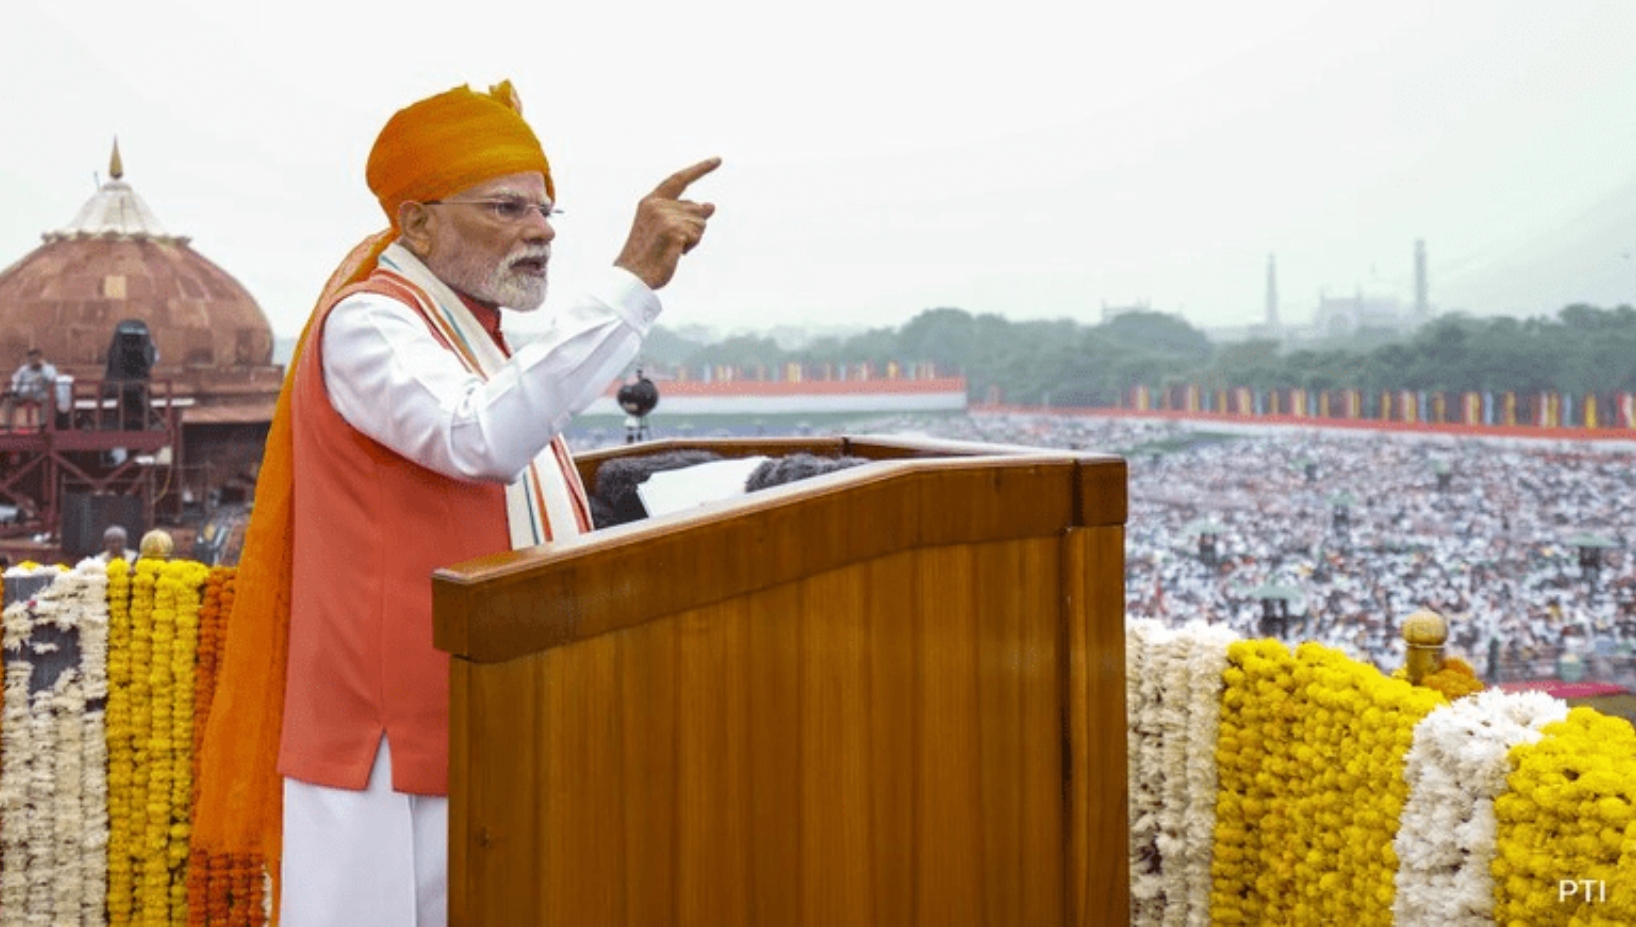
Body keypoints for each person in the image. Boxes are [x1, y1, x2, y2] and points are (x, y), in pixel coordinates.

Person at [189, 81, 716, 927]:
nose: (541, 230)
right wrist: (630, 285)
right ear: (418, 223)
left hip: (488, 713)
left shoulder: (473, 338)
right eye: (508, 207)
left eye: (545, 209)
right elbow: (480, 437)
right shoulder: (369, 326)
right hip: (386, 749)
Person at [4, 348, 57, 429]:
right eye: (31, 359)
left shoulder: (48, 368)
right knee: (9, 399)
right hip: (23, 393)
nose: (33, 361)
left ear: (40, 358)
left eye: (35, 359)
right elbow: (16, 380)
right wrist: (14, 390)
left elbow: (53, 379)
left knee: (47, 400)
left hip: (39, 394)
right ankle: (8, 424)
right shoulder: (23, 369)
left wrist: (43, 371)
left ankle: (43, 424)